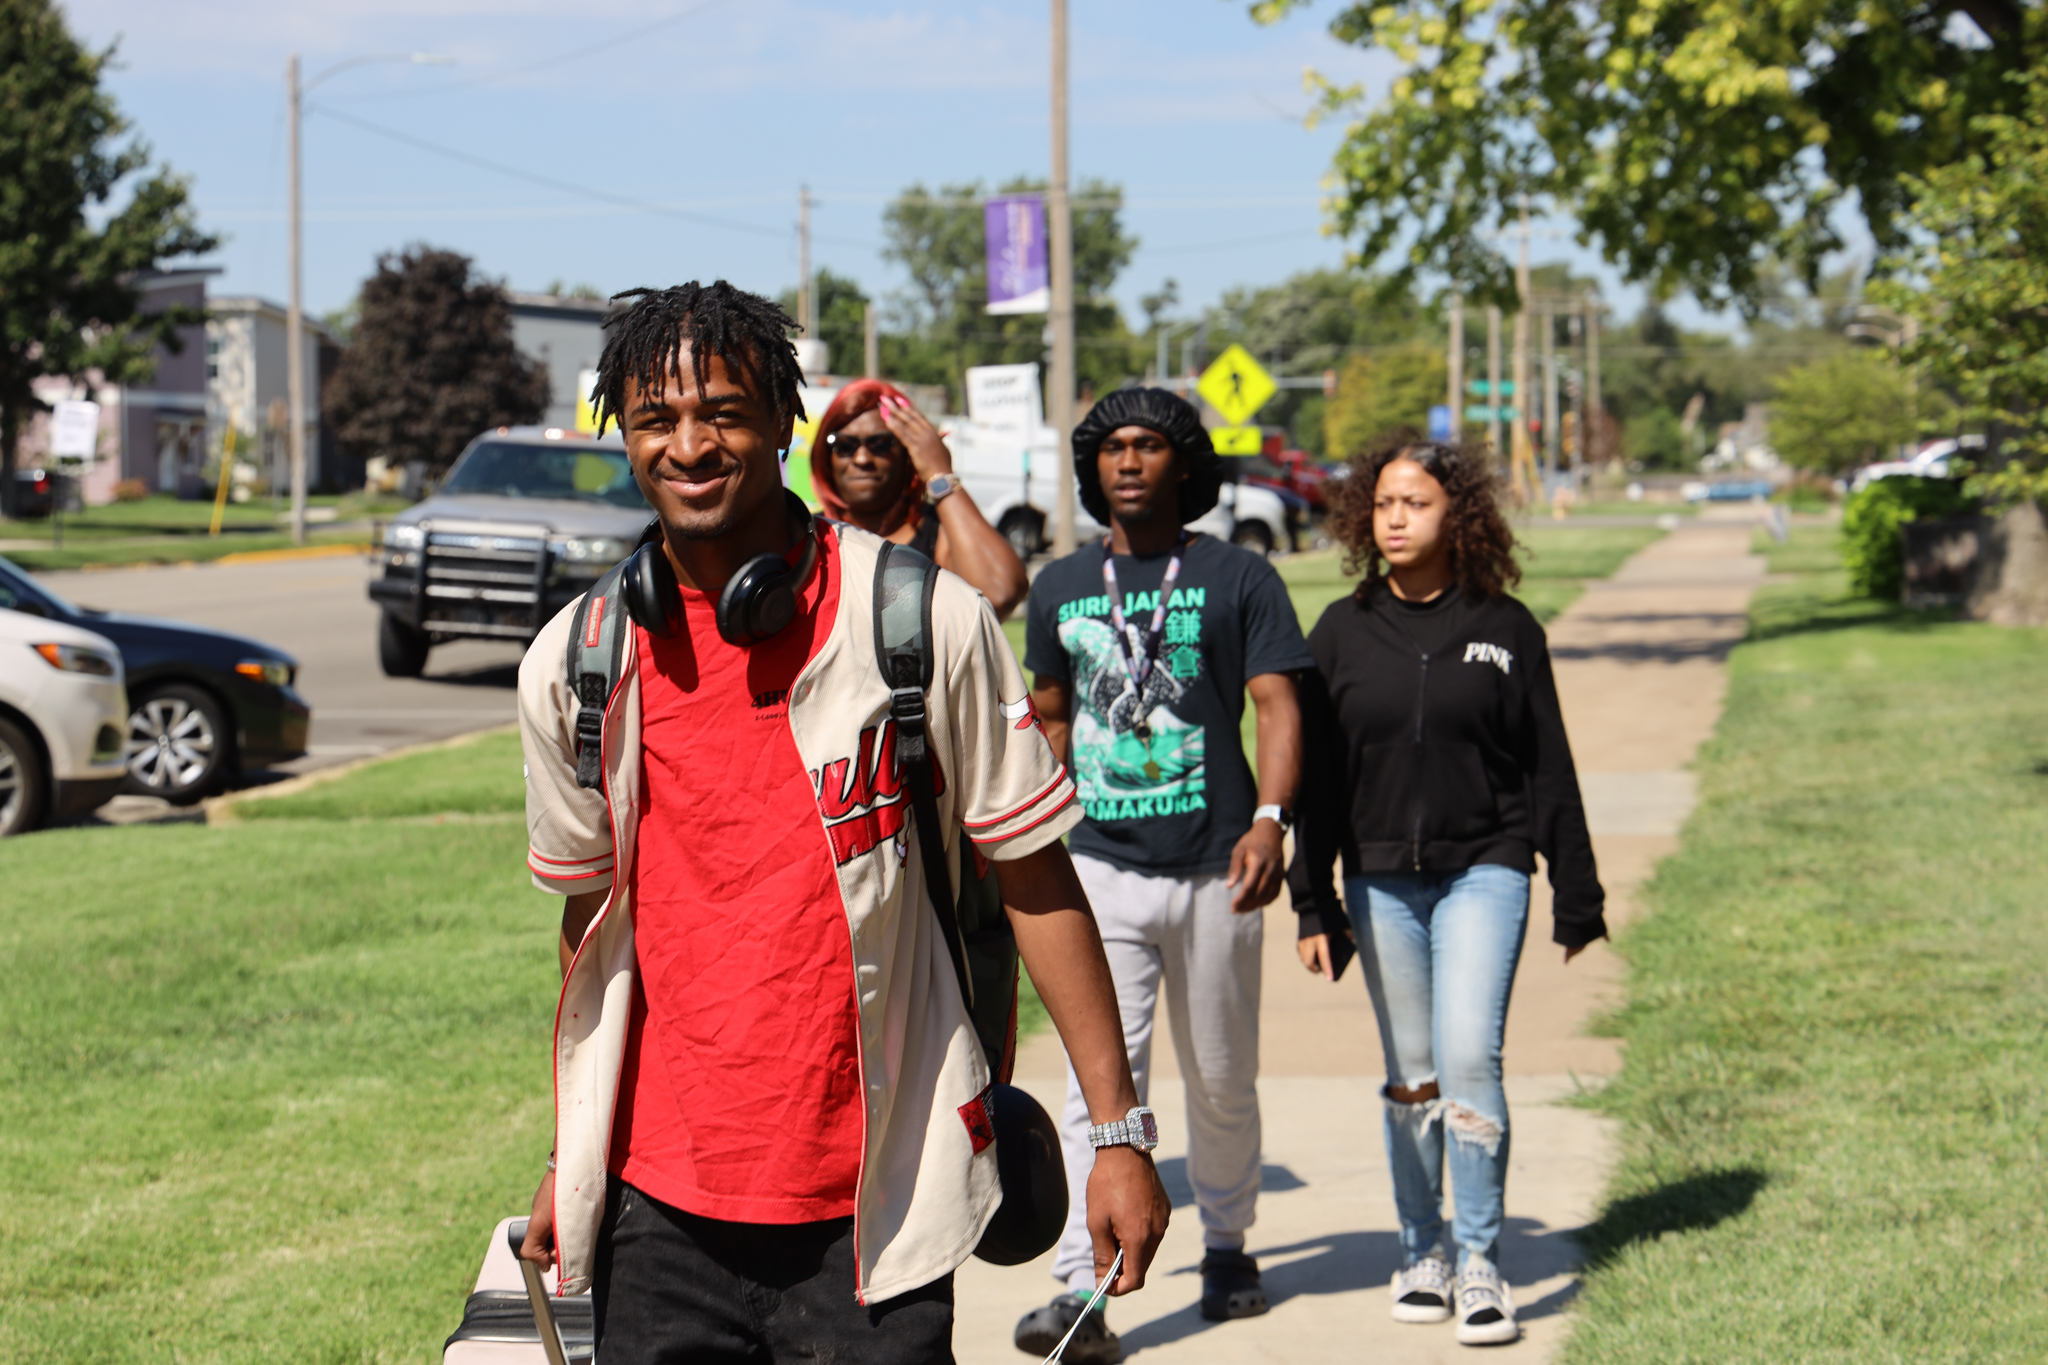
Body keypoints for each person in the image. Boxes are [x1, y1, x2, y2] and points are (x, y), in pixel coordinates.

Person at [514, 281, 1170, 1364]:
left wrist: (1116, 1133)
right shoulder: (578, 664)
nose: (688, 445)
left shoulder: (920, 622)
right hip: (658, 1207)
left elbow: (1034, 876)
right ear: (623, 439)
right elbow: (592, 934)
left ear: (783, 421)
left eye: (722, 411)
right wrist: (573, 1152)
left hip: (881, 1195)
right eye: (654, 420)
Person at [1013, 387, 1313, 1363]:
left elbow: (1274, 705)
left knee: (1220, 1077)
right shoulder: (1059, 584)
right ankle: (1079, 1286)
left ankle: (1226, 1245)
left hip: (1216, 866)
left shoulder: (1237, 576)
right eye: (1111, 449)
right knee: (1097, 1086)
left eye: (1148, 446)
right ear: (1090, 470)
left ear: (1184, 464)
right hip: (1097, 868)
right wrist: (1040, 834)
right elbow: (1051, 718)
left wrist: (1271, 821)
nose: (1128, 462)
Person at [1288, 433, 1607, 1348]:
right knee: (1412, 1074)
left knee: (1470, 1056)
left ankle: (1478, 1260)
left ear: (1456, 515)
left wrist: (1577, 892)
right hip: (1380, 877)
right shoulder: (1341, 632)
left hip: (1487, 866)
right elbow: (1316, 782)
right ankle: (1418, 1247)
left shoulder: (1507, 628)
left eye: (1415, 502)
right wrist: (1315, 901)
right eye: (1383, 502)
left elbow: (1550, 767)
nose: (1395, 517)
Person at [810, 378, 1030, 617]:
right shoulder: (808, 535)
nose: (862, 459)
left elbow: (1000, 592)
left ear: (908, 454)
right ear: (826, 456)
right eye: (844, 445)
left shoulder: (939, 533)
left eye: (881, 444)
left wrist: (940, 474)